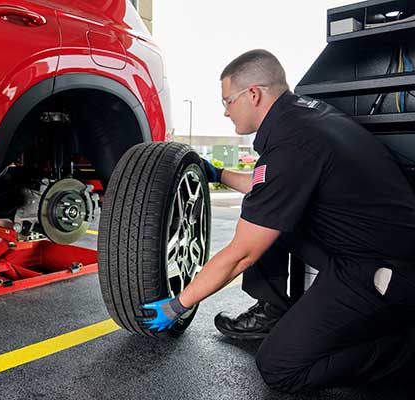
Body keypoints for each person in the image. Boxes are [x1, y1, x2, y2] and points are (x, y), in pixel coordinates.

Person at [141, 49, 415, 393]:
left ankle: (401, 351)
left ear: (253, 94)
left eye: (228, 101)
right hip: (366, 245)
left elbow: (243, 254)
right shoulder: (302, 117)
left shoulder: (292, 144)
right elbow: (266, 187)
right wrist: (219, 173)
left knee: (280, 367)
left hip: (384, 270)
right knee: (262, 213)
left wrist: (179, 303)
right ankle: (272, 309)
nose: (225, 111)